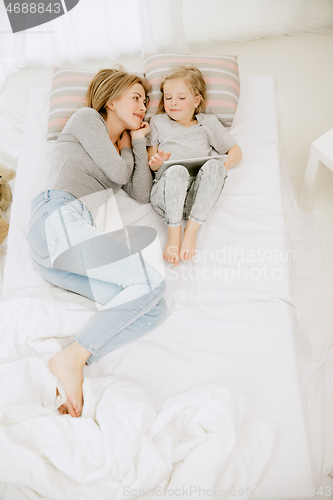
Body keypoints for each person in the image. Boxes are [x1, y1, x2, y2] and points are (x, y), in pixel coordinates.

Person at [28, 69, 167, 418]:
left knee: (151, 306)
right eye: (136, 97)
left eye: (146, 101)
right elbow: (121, 175)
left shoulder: (121, 149)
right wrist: (126, 146)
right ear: (111, 101)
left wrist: (135, 142)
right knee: (151, 282)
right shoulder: (86, 119)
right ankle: (70, 359)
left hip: (58, 253)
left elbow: (141, 191)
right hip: (56, 218)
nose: (144, 106)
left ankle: (76, 358)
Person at [147, 66, 243, 266]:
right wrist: (157, 162)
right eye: (168, 97)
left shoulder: (208, 123)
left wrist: (216, 173)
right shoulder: (157, 122)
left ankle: (191, 229)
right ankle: (174, 233)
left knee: (215, 167)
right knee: (177, 171)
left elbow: (236, 153)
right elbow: (153, 164)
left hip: (196, 199)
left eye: (181, 98)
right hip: (166, 194)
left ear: (196, 101)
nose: (173, 103)